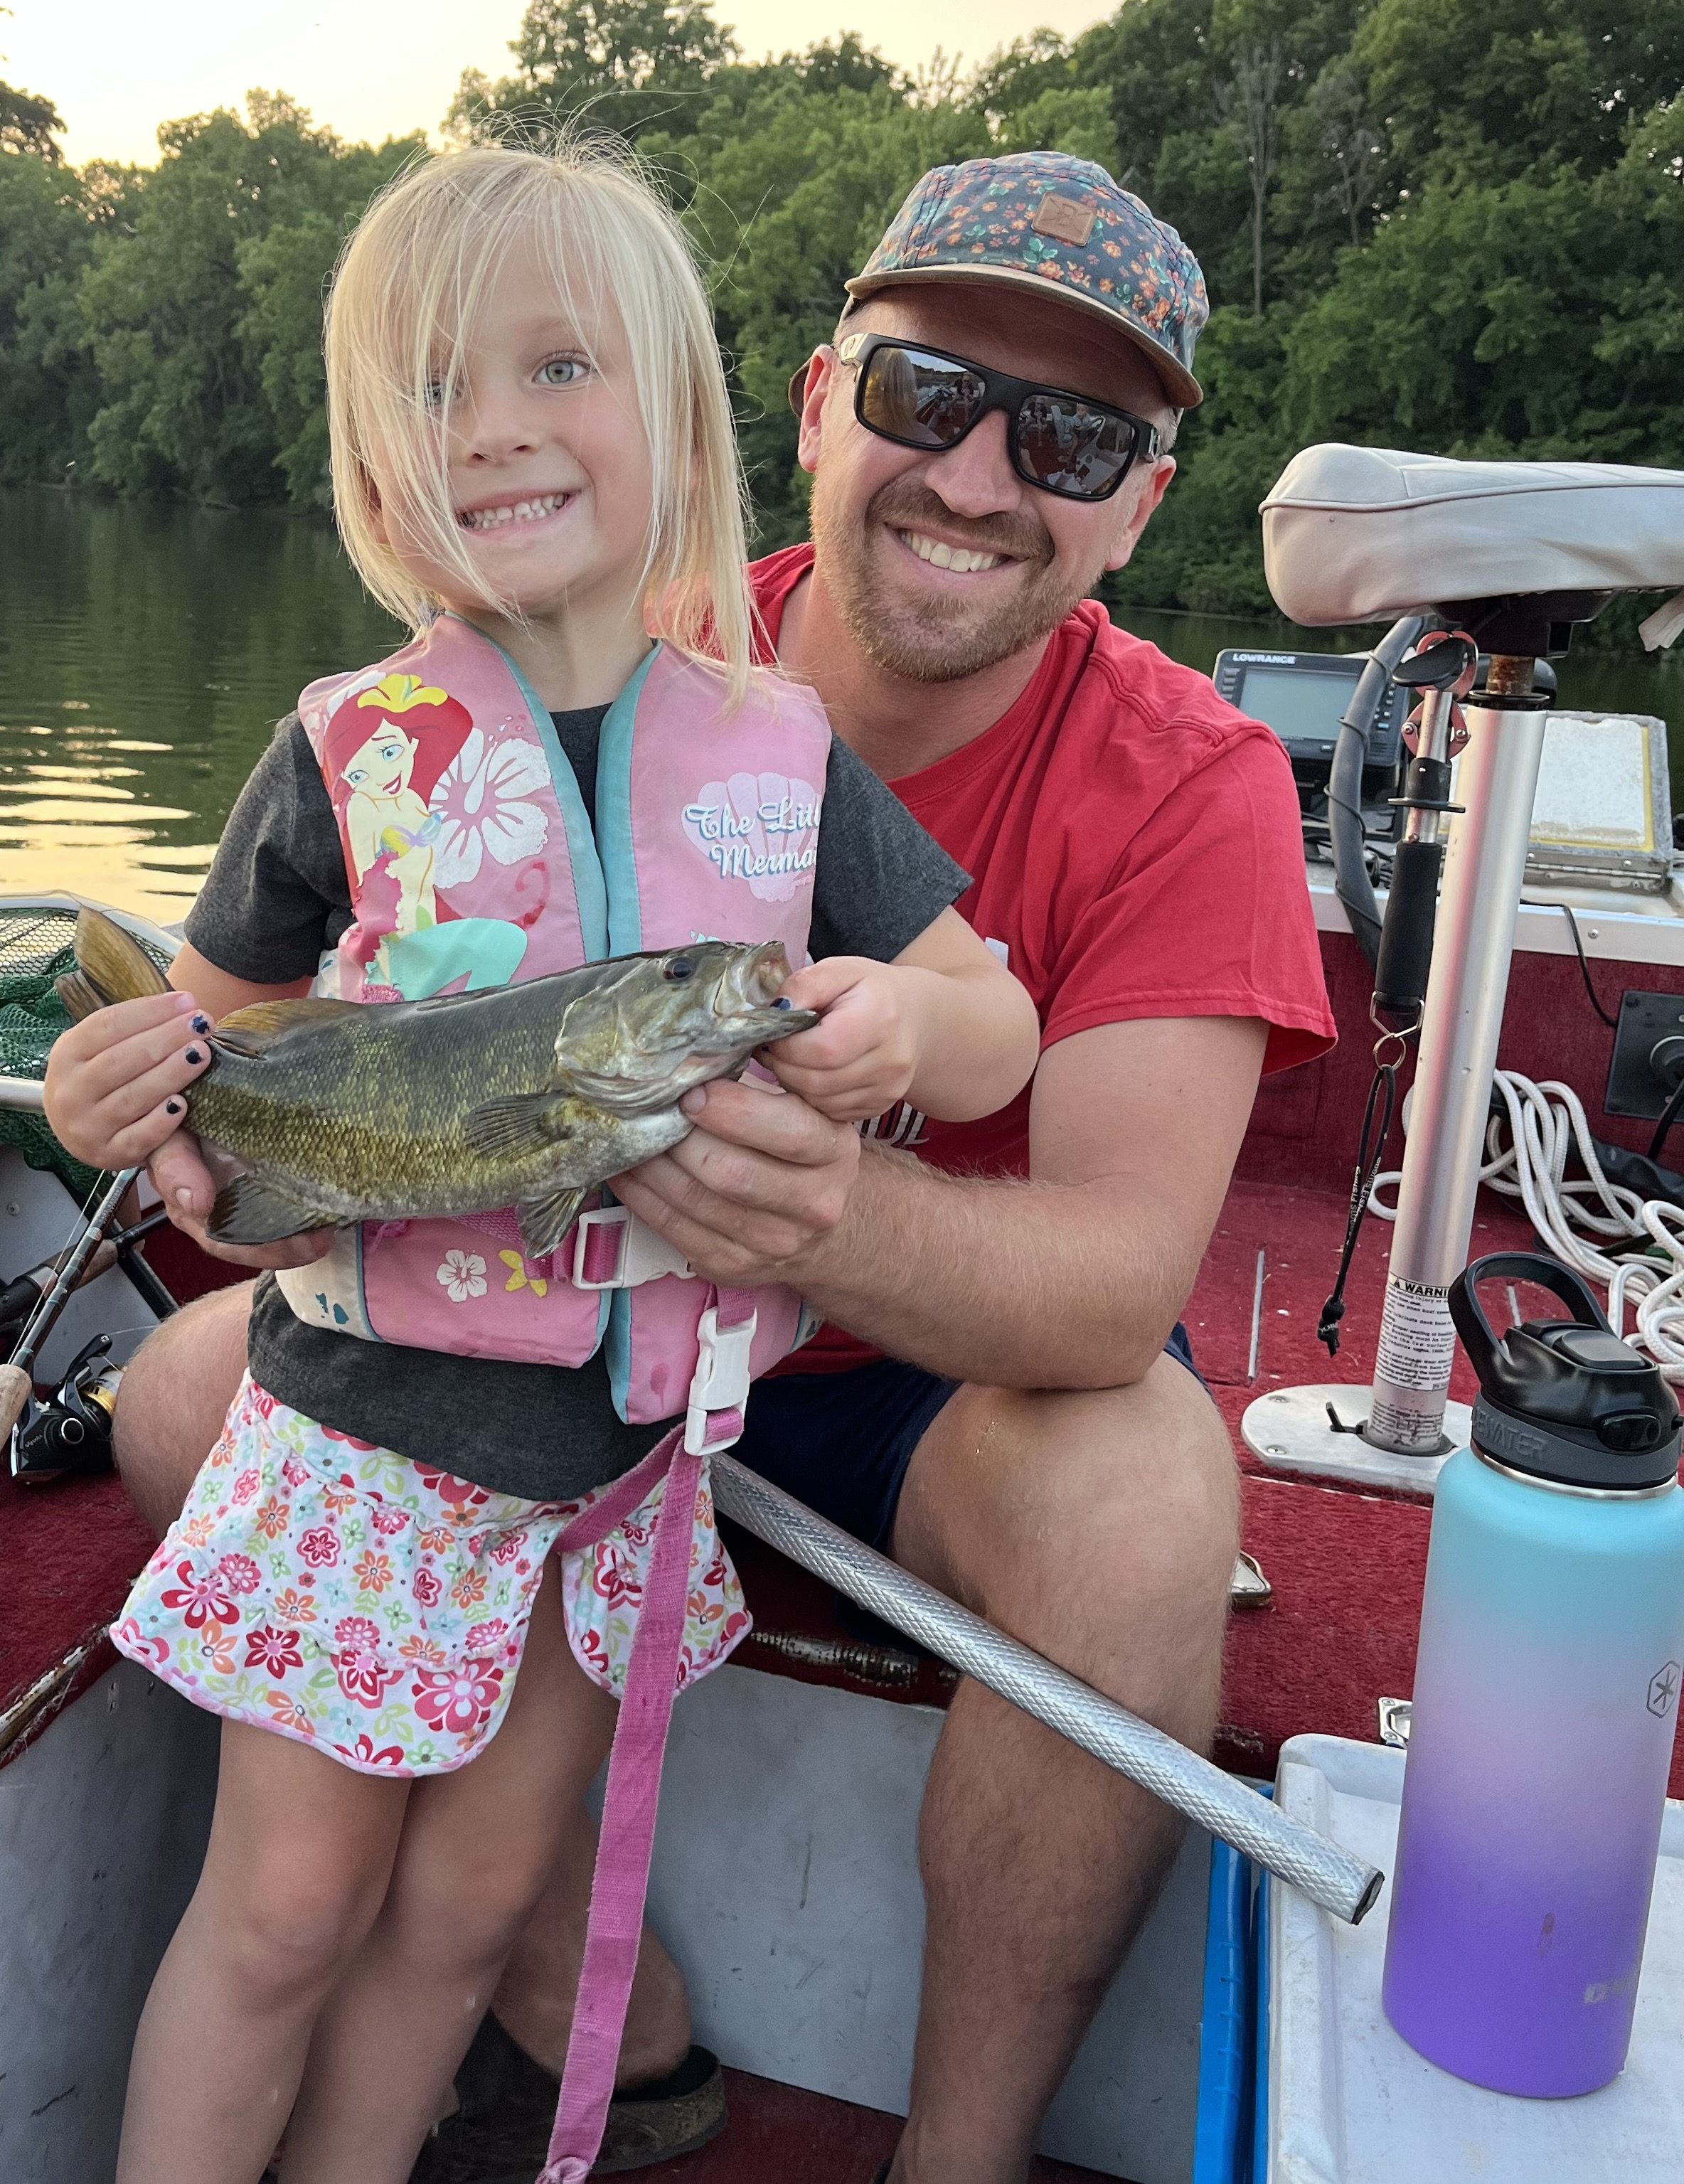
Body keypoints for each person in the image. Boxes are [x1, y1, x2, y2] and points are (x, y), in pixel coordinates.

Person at [109, 151, 1337, 2184]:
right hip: (538, 1369)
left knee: (1138, 1510)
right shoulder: (612, 647)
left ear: (1143, 506)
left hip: (912, 1397)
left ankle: (953, 2161)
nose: (978, 476)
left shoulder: (1173, 781)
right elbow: (265, 1008)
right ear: (813, 404)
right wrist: (180, 1104)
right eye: (931, 393)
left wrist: (820, 1198)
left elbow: (1116, 1289)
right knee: (182, 1398)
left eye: (1076, 434)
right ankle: (614, 2008)